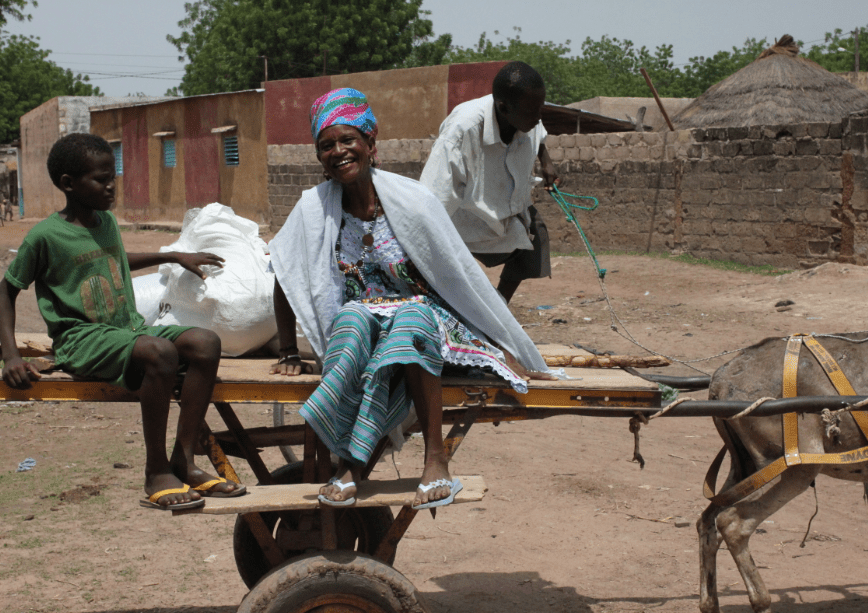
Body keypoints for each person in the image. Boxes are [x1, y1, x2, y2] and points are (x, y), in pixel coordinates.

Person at [270, 88, 553, 510]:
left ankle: (433, 459)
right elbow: (286, 274)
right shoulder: (313, 208)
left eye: (348, 140)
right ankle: (350, 462)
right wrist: (290, 349)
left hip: (426, 318)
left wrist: (499, 340)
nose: (339, 152)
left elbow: (457, 278)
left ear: (370, 143)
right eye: (326, 145)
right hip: (362, 322)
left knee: (410, 320)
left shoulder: (412, 200)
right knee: (350, 322)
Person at [0, 133, 245, 511]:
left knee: (205, 343)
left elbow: (113, 259)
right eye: (101, 179)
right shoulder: (44, 236)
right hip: (81, 340)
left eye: (112, 176)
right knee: (160, 352)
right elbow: (6, 290)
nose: (111, 186)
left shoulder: (107, 222)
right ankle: (156, 470)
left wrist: (176, 256)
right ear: (68, 183)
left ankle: (184, 458)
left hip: (126, 330)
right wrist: (12, 356)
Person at [420, 61, 560, 304]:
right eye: (532, 112)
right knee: (452, 267)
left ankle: (499, 306)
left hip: (507, 205)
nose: (538, 118)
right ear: (504, 109)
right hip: (464, 214)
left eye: (541, 109)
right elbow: (433, 198)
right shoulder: (462, 130)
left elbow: (540, 131)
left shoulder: (528, 115)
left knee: (535, 237)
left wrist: (546, 160)